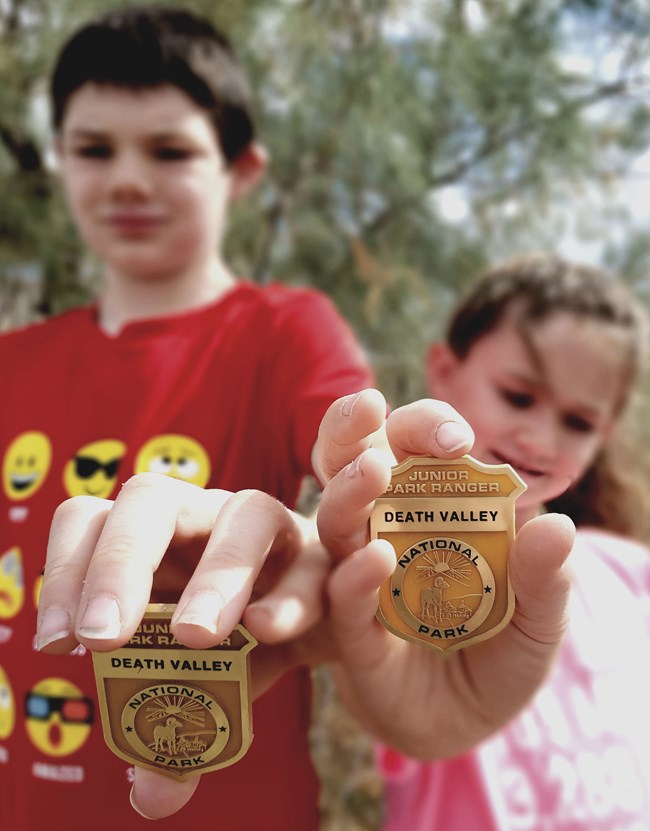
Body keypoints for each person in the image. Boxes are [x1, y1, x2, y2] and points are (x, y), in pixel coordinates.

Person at [2, 6, 575, 827]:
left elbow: (353, 460)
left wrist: (346, 536)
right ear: (59, 160)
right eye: (95, 148)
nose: (128, 178)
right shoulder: (11, 360)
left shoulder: (284, 330)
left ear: (241, 170)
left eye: (170, 150)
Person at [376, 253, 650, 830]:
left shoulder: (631, 575)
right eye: (518, 397)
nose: (541, 438)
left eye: (578, 422)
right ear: (445, 371)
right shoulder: (395, 558)